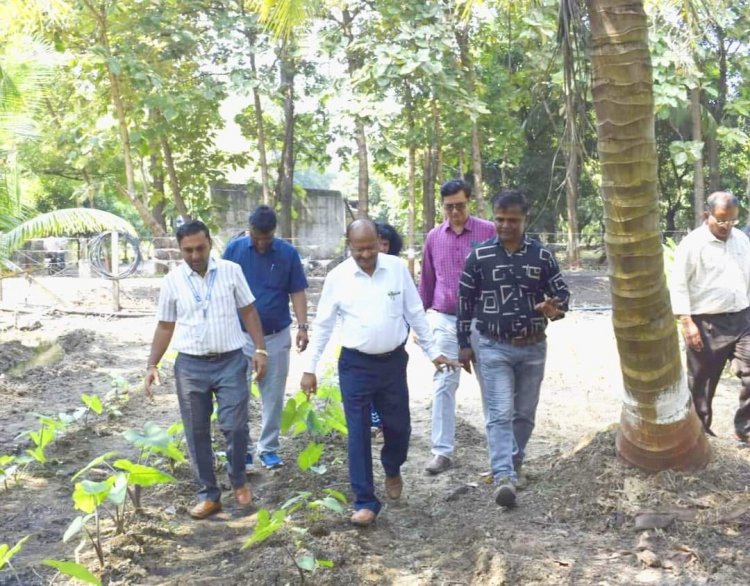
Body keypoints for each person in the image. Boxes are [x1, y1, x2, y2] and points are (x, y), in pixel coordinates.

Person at [301, 219, 458, 527]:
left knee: (399, 427)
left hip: (392, 363)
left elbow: (415, 312)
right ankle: (365, 500)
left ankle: (392, 467)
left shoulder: (396, 269)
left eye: (370, 247)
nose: (365, 254)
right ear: (349, 245)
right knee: (358, 433)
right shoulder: (338, 277)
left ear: (379, 242)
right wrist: (309, 369)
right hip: (355, 365)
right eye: (358, 249)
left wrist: (433, 352)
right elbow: (323, 326)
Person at [144, 220, 268, 519]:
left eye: (200, 248)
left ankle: (238, 480)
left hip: (230, 361)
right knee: (196, 432)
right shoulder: (172, 281)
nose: (195, 255)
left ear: (210, 243)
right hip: (190, 365)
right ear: (180, 249)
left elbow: (249, 310)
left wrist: (261, 349)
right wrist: (152, 363)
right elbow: (165, 325)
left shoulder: (230, 271)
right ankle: (209, 494)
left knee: (236, 426)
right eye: (188, 250)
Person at [457, 190, 570, 508]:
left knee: (524, 414)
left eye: (512, 220)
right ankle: (503, 475)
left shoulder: (542, 256)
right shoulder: (478, 256)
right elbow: (464, 302)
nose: (505, 225)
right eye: (500, 219)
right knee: (500, 412)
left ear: (525, 219)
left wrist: (554, 308)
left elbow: (561, 294)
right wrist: (464, 344)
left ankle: (515, 463)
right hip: (493, 346)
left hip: (533, 348)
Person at [223, 205, 309, 470]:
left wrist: (303, 326)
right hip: (240, 335)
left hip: (276, 335)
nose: (261, 243)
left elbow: (297, 292)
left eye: (266, 238)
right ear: (248, 230)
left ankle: (268, 448)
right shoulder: (234, 250)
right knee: (238, 395)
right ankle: (244, 450)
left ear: (274, 232)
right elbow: (222, 288)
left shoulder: (287, 254)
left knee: (273, 395)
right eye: (256, 237)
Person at [419, 179, 496, 475]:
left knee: (491, 385)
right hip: (444, 320)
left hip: (482, 321)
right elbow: (427, 281)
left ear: (470, 202)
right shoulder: (434, 237)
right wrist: (420, 323)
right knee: (443, 384)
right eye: (449, 206)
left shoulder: (488, 232)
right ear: (443, 206)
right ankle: (442, 452)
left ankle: (498, 451)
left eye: (460, 206)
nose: (454, 212)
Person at [670, 191, 750, 441]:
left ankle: (745, 429)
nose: (728, 226)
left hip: (741, 319)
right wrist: (687, 322)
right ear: (707, 216)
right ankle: (699, 435)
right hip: (706, 324)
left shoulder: (741, 240)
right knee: (701, 386)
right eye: (722, 220)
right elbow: (679, 284)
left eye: (733, 221)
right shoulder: (692, 244)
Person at [368, 221, 404, 435]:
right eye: (377, 243)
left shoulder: (397, 269)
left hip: (394, 335)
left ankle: (387, 423)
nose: (381, 248)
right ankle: (375, 420)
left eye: (385, 243)